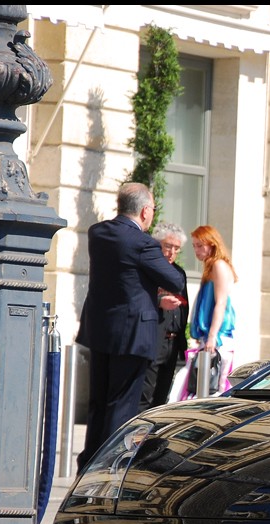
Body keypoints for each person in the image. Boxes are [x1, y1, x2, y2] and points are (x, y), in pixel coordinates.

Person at [76, 182, 186, 471]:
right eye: (153, 209)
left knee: (99, 402)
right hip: (133, 334)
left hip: (101, 331)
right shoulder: (143, 243)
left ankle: (88, 463)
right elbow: (175, 280)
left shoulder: (98, 233)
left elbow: (123, 278)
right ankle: (108, 466)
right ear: (145, 211)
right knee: (122, 405)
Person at [182, 224, 238, 398]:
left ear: (212, 244)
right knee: (205, 386)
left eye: (200, 245)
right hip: (212, 337)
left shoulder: (218, 265)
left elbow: (220, 303)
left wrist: (212, 336)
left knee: (213, 387)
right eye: (194, 246)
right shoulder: (212, 266)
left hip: (218, 337)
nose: (196, 250)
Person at [138, 223, 189, 410]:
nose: (171, 253)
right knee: (146, 394)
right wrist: (159, 302)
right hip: (153, 339)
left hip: (173, 344)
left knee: (163, 396)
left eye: (176, 248)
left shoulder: (179, 272)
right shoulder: (149, 268)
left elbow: (184, 308)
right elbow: (139, 298)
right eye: (168, 246)